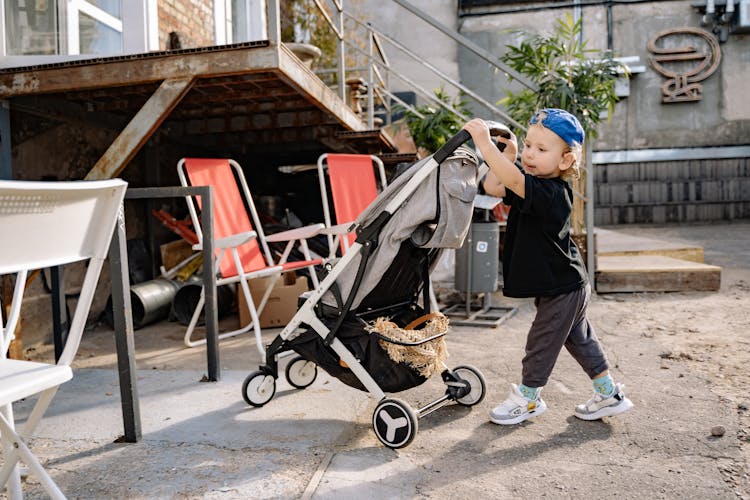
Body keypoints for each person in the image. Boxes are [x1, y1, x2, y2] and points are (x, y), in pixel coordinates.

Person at [463, 109, 633, 425]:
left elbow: (512, 179)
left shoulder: (552, 193)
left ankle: (529, 398)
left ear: (565, 161)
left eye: (541, 150)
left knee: (540, 344)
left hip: (562, 287)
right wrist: (508, 153)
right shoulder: (532, 184)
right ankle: (608, 394)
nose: (530, 154)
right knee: (579, 340)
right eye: (528, 145)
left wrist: (485, 146)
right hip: (565, 283)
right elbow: (494, 185)